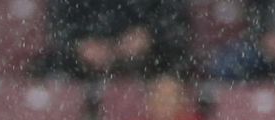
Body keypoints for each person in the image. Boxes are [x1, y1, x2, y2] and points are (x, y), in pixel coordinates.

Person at [35, 0, 191, 79]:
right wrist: (80, 45)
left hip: (149, 64)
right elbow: (57, 24)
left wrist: (149, 35)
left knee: (177, 70)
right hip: (81, 69)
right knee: (48, 73)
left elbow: (177, 20)